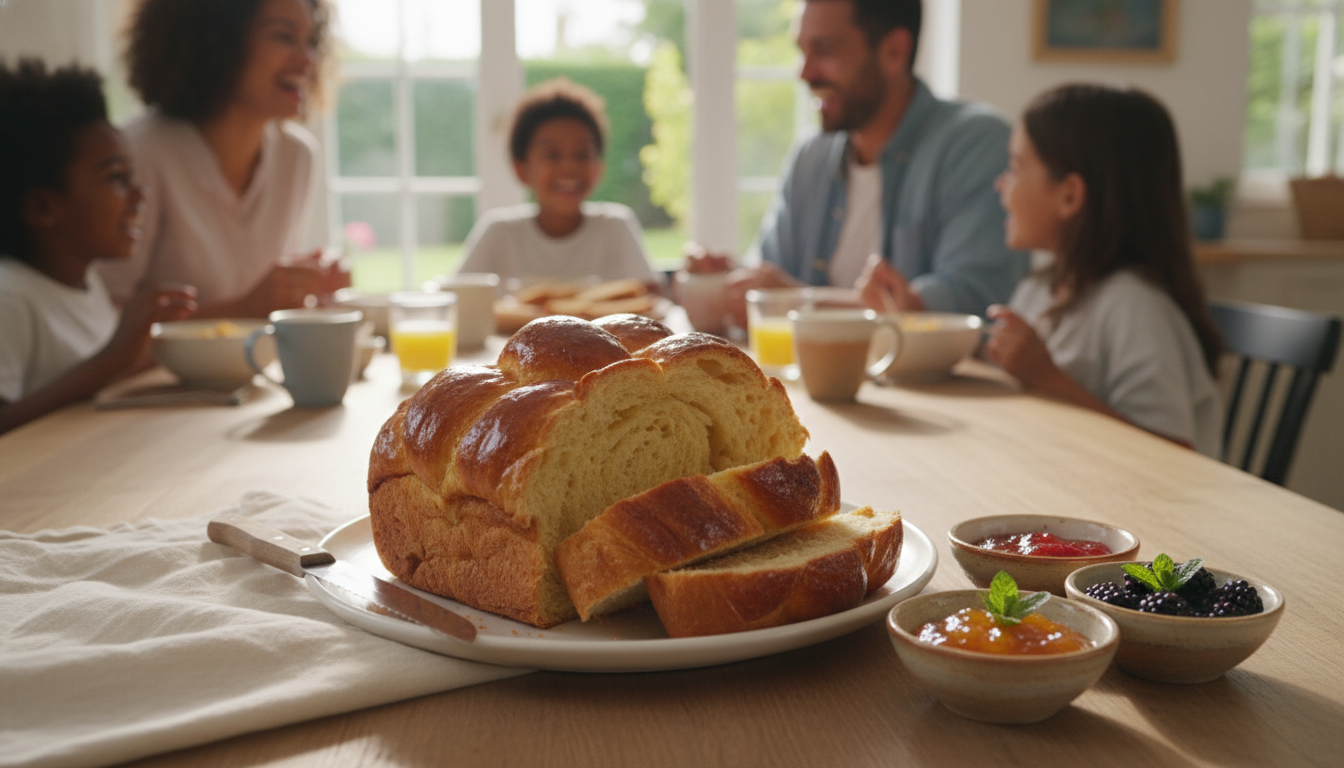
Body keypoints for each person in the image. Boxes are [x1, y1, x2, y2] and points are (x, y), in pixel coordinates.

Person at [712, 0, 1028, 326]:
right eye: (801, 50)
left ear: (894, 51)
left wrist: (798, 301)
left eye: (824, 50)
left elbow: (973, 299)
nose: (804, 73)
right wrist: (722, 284)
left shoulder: (975, 143)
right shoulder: (811, 156)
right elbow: (767, 281)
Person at [985, 84, 1223, 456]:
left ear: (1070, 196)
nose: (1002, 184)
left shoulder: (1134, 306)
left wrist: (1049, 379)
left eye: (1016, 167)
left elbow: (1174, 454)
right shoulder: (1039, 288)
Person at [96, 0, 347, 318]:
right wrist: (245, 308)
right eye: (284, 37)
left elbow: (274, 312)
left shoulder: (296, 156)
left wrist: (310, 286)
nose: (307, 60)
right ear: (216, 39)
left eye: (312, 43)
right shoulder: (138, 153)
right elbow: (102, 322)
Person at [0, 59, 197, 436]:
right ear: (43, 208)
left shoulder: (86, 282)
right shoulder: (10, 297)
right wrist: (109, 362)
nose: (140, 194)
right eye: (115, 177)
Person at [455, 78, 660, 289]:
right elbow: (457, 297)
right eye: (552, 155)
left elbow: (650, 297)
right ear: (521, 170)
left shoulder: (615, 226)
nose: (569, 168)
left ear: (598, 168)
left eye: (582, 155)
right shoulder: (500, 232)